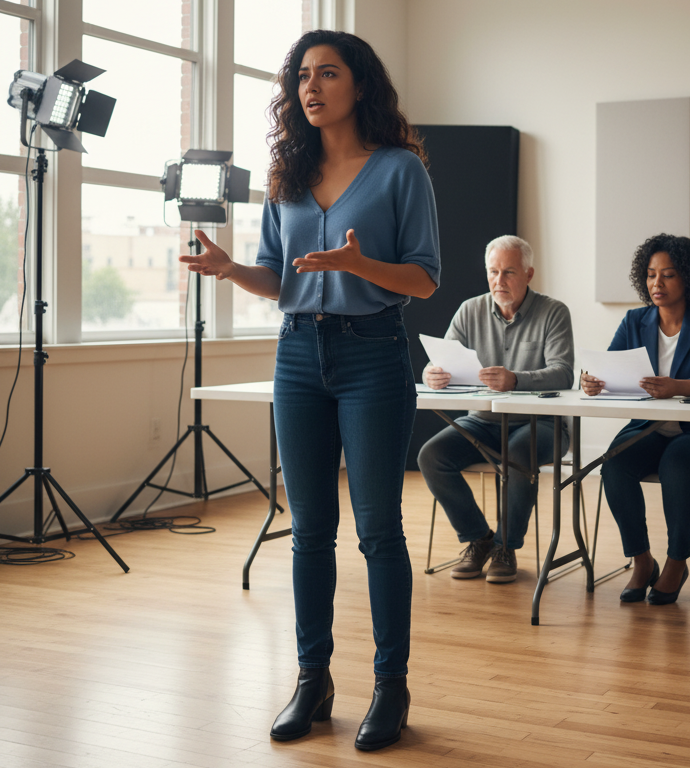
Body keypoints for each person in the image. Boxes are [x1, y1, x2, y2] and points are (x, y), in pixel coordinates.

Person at [180, 30, 439, 751]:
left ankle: (391, 687)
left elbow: (423, 277)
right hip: (298, 355)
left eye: (327, 73)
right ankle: (312, 680)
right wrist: (233, 269)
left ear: (360, 85)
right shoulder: (286, 174)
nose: (311, 87)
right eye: (301, 78)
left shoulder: (399, 171)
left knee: (379, 529)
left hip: (374, 355)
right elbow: (281, 278)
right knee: (309, 532)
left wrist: (364, 265)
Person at [581, 234, 690, 605]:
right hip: (648, 429)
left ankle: (677, 562)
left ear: (689, 279)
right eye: (650, 275)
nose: (656, 284)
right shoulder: (635, 321)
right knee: (614, 463)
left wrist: (676, 386)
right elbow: (610, 365)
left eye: (667, 275)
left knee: (676, 462)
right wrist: (592, 380)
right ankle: (642, 560)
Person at [417, 235, 574, 583]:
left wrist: (515, 379)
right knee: (431, 456)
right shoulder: (470, 310)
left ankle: (506, 547)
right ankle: (480, 538)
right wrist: (433, 374)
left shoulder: (553, 312)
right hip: (483, 421)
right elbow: (444, 361)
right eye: (493, 272)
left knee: (518, 451)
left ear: (529, 274)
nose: (499, 281)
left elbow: (563, 373)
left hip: (542, 424)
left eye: (509, 272)